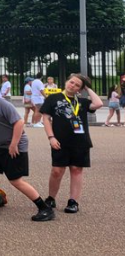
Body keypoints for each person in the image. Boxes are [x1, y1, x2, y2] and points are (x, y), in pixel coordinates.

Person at [0, 78, 54, 221]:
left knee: (15, 180)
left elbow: (19, 122)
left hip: (11, 145)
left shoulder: (2, 104)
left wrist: (14, 144)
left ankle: (44, 207)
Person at [41, 73, 102, 214]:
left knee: (76, 170)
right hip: (60, 141)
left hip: (80, 142)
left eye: (77, 85)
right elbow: (46, 118)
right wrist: (51, 137)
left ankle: (73, 201)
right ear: (67, 81)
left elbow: (98, 103)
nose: (72, 85)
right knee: (57, 170)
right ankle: (51, 198)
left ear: (80, 89)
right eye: (71, 82)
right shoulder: (53, 98)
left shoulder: (82, 101)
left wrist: (87, 88)